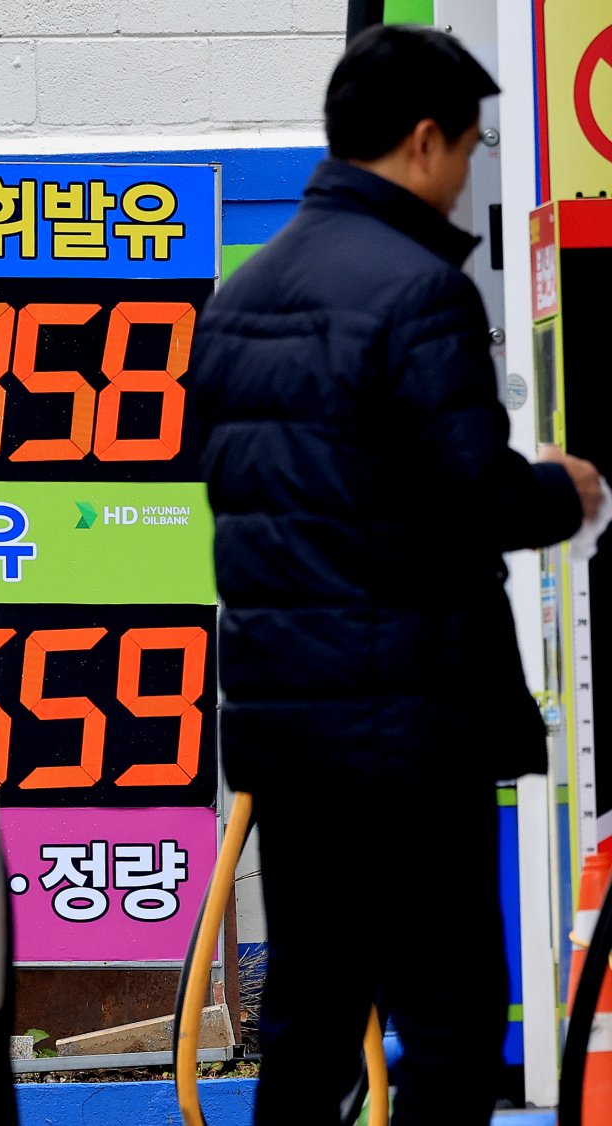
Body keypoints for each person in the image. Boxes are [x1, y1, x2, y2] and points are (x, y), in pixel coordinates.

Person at [189, 23, 603, 1126]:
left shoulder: (238, 296)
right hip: (410, 729)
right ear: (424, 141)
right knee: (451, 1021)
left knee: (309, 1019)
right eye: (466, 148)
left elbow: (265, 497)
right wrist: (564, 489)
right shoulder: (419, 292)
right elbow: (475, 495)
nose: (465, 174)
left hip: (287, 729)